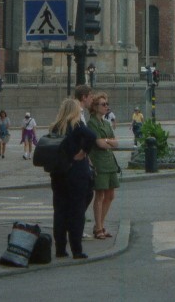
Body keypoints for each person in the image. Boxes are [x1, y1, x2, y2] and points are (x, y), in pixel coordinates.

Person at [48, 97, 111, 259]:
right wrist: (84, 152)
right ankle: (77, 249)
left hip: (59, 174)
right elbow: (91, 135)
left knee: (60, 211)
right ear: (75, 111)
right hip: (76, 174)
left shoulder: (55, 127)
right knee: (77, 212)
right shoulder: (77, 125)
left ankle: (60, 249)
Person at [88, 92, 120, 239]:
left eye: (107, 104)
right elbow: (99, 143)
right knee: (99, 195)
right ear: (95, 107)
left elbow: (115, 142)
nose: (106, 106)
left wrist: (107, 141)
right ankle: (99, 227)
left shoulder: (106, 123)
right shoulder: (92, 123)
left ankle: (100, 224)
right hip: (98, 162)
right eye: (103, 104)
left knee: (110, 195)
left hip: (109, 161)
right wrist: (108, 141)